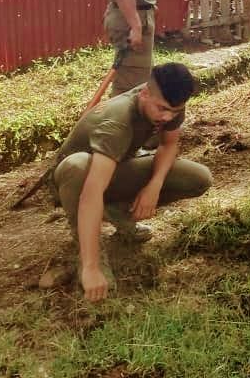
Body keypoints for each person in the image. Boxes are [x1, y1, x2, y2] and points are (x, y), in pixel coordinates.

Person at [49, 62, 212, 302]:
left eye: (175, 112)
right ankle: (88, 255)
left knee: (198, 178)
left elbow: (168, 144)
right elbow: (91, 194)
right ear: (145, 93)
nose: (168, 117)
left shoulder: (171, 103)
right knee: (78, 166)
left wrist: (153, 186)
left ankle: (116, 209)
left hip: (114, 169)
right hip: (75, 180)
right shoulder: (117, 120)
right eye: (162, 109)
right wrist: (92, 268)